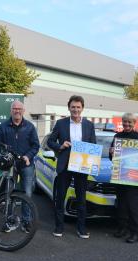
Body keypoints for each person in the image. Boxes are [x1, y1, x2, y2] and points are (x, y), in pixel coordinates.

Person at [47, 95, 96, 239]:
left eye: (78, 107)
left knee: (81, 198)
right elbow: (50, 141)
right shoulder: (61, 123)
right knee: (60, 197)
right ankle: (59, 226)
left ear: (82, 108)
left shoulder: (89, 125)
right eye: (73, 107)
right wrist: (60, 146)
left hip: (82, 165)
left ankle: (81, 228)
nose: (75, 109)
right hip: (65, 164)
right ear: (69, 107)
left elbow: (93, 144)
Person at [0, 100, 40, 232]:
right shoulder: (3, 126)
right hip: (9, 165)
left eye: (19, 109)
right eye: (14, 108)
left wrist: (28, 156)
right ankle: (10, 220)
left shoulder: (29, 127)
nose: (17, 111)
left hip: (26, 164)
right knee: (8, 193)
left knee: (27, 193)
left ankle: (26, 221)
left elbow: (35, 146)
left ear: (23, 111)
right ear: (11, 111)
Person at [109, 113, 138, 243]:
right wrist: (111, 153)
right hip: (119, 176)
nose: (127, 124)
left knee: (132, 206)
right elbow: (112, 157)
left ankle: (135, 233)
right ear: (122, 122)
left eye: (130, 122)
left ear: (134, 123)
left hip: (133, 177)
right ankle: (122, 229)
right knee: (121, 206)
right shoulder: (117, 136)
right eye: (125, 122)